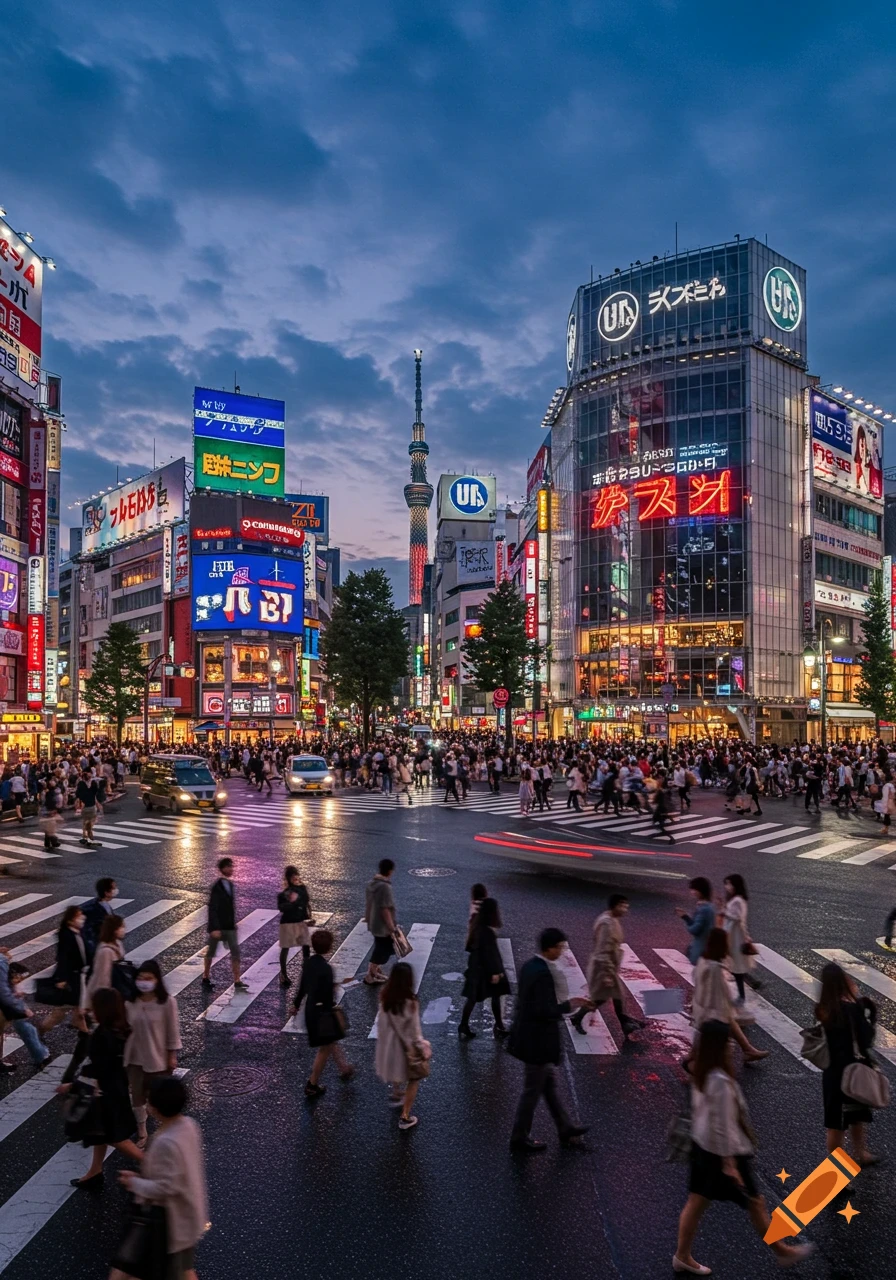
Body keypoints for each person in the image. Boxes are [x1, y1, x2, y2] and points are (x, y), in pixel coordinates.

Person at [674, 1020, 813, 1274]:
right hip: (725, 1154)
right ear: (718, 1047)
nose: (732, 1046)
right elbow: (723, 1125)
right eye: (728, 1042)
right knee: (755, 1202)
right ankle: (781, 1251)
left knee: (697, 1202)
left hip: (701, 1148)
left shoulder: (702, 1072)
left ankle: (682, 1256)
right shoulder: (720, 1081)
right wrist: (730, 1165)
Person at [113, 1076, 208, 1280]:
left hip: (170, 1222)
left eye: (149, 1100)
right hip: (188, 1214)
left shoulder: (167, 1142)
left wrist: (135, 1183)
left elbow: (168, 1186)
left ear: (157, 1107)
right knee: (183, 1270)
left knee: (133, 1271)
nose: (146, 1104)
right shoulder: (189, 1125)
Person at [507, 927, 590, 1153]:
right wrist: (571, 1003)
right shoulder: (543, 973)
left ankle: (565, 1127)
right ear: (549, 948)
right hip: (537, 1042)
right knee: (532, 1090)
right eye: (560, 947)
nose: (562, 952)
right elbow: (544, 1010)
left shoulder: (529, 966)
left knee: (548, 1085)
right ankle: (519, 1137)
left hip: (528, 1037)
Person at [61, 987, 144, 1189]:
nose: (90, 1009)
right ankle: (95, 1172)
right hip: (117, 1086)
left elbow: (98, 1067)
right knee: (101, 1132)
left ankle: (154, 1165)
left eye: (93, 1005)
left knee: (115, 1137)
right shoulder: (120, 1028)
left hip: (105, 1092)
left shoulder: (103, 1034)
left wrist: (72, 1085)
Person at [816, 962, 879, 1166]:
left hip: (833, 1074)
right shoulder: (851, 1009)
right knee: (855, 1116)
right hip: (853, 1071)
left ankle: (854, 1159)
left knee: (836, 1124)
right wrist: (865, 1010)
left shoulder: (823, 1009)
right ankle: (859, 1155)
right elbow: (866, 1039)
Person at [688, 930, 768, 1067]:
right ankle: (692, 1064)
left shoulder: (703, 961)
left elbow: (701, 986)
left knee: (707, 1034)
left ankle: (748, 1049)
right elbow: (719, 997)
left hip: (703, 1009)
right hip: (711, 1013)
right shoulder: (715, 969)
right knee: (714, 1044)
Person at [570, 894, 645, 1039]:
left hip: (609, 967)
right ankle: (625, 1025)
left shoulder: (612, 919)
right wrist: (607, 974)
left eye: (626, 907)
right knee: (602, 998)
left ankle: (625, 1024)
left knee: (615, 996)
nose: (625, 910)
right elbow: (602, 951)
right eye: (623, 906)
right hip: (603, 968)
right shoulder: (607, 923)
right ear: (615, 906)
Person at [124, 960, 182, 1148]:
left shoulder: (167, 1002)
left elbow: (172, 1031)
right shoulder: (130, 1003)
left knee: (158, 1098)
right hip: (134, 1058)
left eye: (148, 978)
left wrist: (171, 1055)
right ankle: (142, 1129)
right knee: (137, 1096)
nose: (143, 982)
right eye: (140, 978)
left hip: (157, 1058)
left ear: (157, 980)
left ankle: (165, 1128)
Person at [374, 961, 429, 1130]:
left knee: (396, 1071)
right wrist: (423, 1046)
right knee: (414, 1079)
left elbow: (381, 1024)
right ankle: (405, 1116)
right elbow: (414, 1030)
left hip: (389, 1046)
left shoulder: (385, 997)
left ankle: (397, 1091)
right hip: (406, 1047)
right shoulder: (411, 1002)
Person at [300, 929, 353, 1098]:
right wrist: (334, 993)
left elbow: (303, 987)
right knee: (325, 1047)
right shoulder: (326, 968)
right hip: (322, 1012)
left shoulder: (308, 963)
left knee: (331, 1041)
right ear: (329, 947)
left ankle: (344, 1068)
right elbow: (327, 997)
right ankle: (312, 1083)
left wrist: (295, 1004)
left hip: (311, 1009)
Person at [458, 898, 510, 1040]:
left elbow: (471, 947)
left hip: (476, 968)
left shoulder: (477, 926)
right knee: (494, 995)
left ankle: (464, 1025)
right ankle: (499, 1026)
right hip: (485, 971)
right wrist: (496, 972)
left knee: (473, 997)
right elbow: (490, 954)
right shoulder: (486, 931)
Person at [201, 858, 247, 991]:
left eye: (231, 867)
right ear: (222, 869)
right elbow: (213, 907)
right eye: (228, 867)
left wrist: (233, 924)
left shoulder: (230, 885)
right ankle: (205, 976)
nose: (231, 869)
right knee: (211, 952)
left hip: (229, 926)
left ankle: (237, 980)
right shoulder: (217, 887)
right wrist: (214, 928)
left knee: (235, 952)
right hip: (218, 927)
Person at [0, 952, 50, 1069]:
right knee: (22, 1025)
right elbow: (3, 992)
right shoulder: (1, 961)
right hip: (6, 1003)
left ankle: (40, 1055)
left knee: (22, 1026)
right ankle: (40, 1055)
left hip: (7, 1002)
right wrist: (20, 1007)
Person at [719, 875, 761, 1003]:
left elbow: (738, 918)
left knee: (734, 966)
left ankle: (741, 994)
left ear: (736, 885)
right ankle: (751, 983)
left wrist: (724, 912)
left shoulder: (738, 900)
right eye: (726, 884)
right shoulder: (735, 899)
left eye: (729, 884)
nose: (727, 887)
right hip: (734, 936)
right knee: (735, 965)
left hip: (735, 938)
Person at [277, 866, 313, 990]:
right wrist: (292, 902)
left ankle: (307, 970)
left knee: (306, 946)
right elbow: (282, 908)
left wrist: (308, 917)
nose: (295, 878)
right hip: (287, 922)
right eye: (293, 877)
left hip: (300, 921)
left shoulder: (302, 888)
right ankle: (283, 974)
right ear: (288, 878)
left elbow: (306, 901)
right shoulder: (284, 893)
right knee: (285, 948)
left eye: (296, 876)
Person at [363, 858, 396, 985]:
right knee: (383, 950)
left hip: (373, 922)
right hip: (382, 925)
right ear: (390, 871)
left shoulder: (372, 883)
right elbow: (385, 909)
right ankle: (370, 974)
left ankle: (374, 970)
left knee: (379, 946)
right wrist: (391, 927)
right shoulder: (385, 887)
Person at [86, 913, 127, 1004]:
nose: (124, 930)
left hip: (117, 991)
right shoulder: (105, 951)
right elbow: (103, 977)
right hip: (109, 996)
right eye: (122, 927)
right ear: (114, 930)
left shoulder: (118, 944)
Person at [677, 878, 715, 964]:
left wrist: (685, 918)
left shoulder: (703, 909)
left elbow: (694, 930)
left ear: (700, 890)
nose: (692, 892)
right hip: (707, 948)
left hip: (700, 950)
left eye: (694, 889)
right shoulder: (710, 906)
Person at [82, 878, 119, 963]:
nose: (116, 890)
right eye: (113, 888)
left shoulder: (105, 905)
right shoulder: (92, 909)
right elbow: (89, 932)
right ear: (106, 892)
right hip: (98, 952)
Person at [76, 769, 103, 846]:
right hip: (92, 806)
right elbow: (96, 793)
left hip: (84, 806)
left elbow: (78, 794)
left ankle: (85, 837)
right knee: (91, 822)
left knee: (85, 821)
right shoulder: (93, 784)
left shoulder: (81, 784)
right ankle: (90, 838)